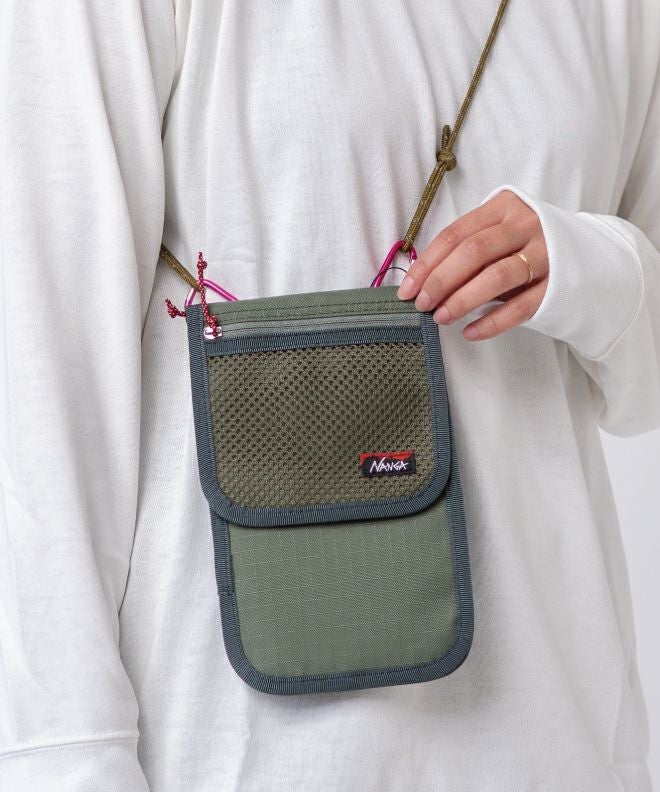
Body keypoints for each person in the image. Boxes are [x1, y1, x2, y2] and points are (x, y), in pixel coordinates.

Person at [1, 1, 658, 790]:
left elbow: (642, 397)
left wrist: (597, 268)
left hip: (562, 741)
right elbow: (41, 384)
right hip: (233, 756)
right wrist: (65, 762)